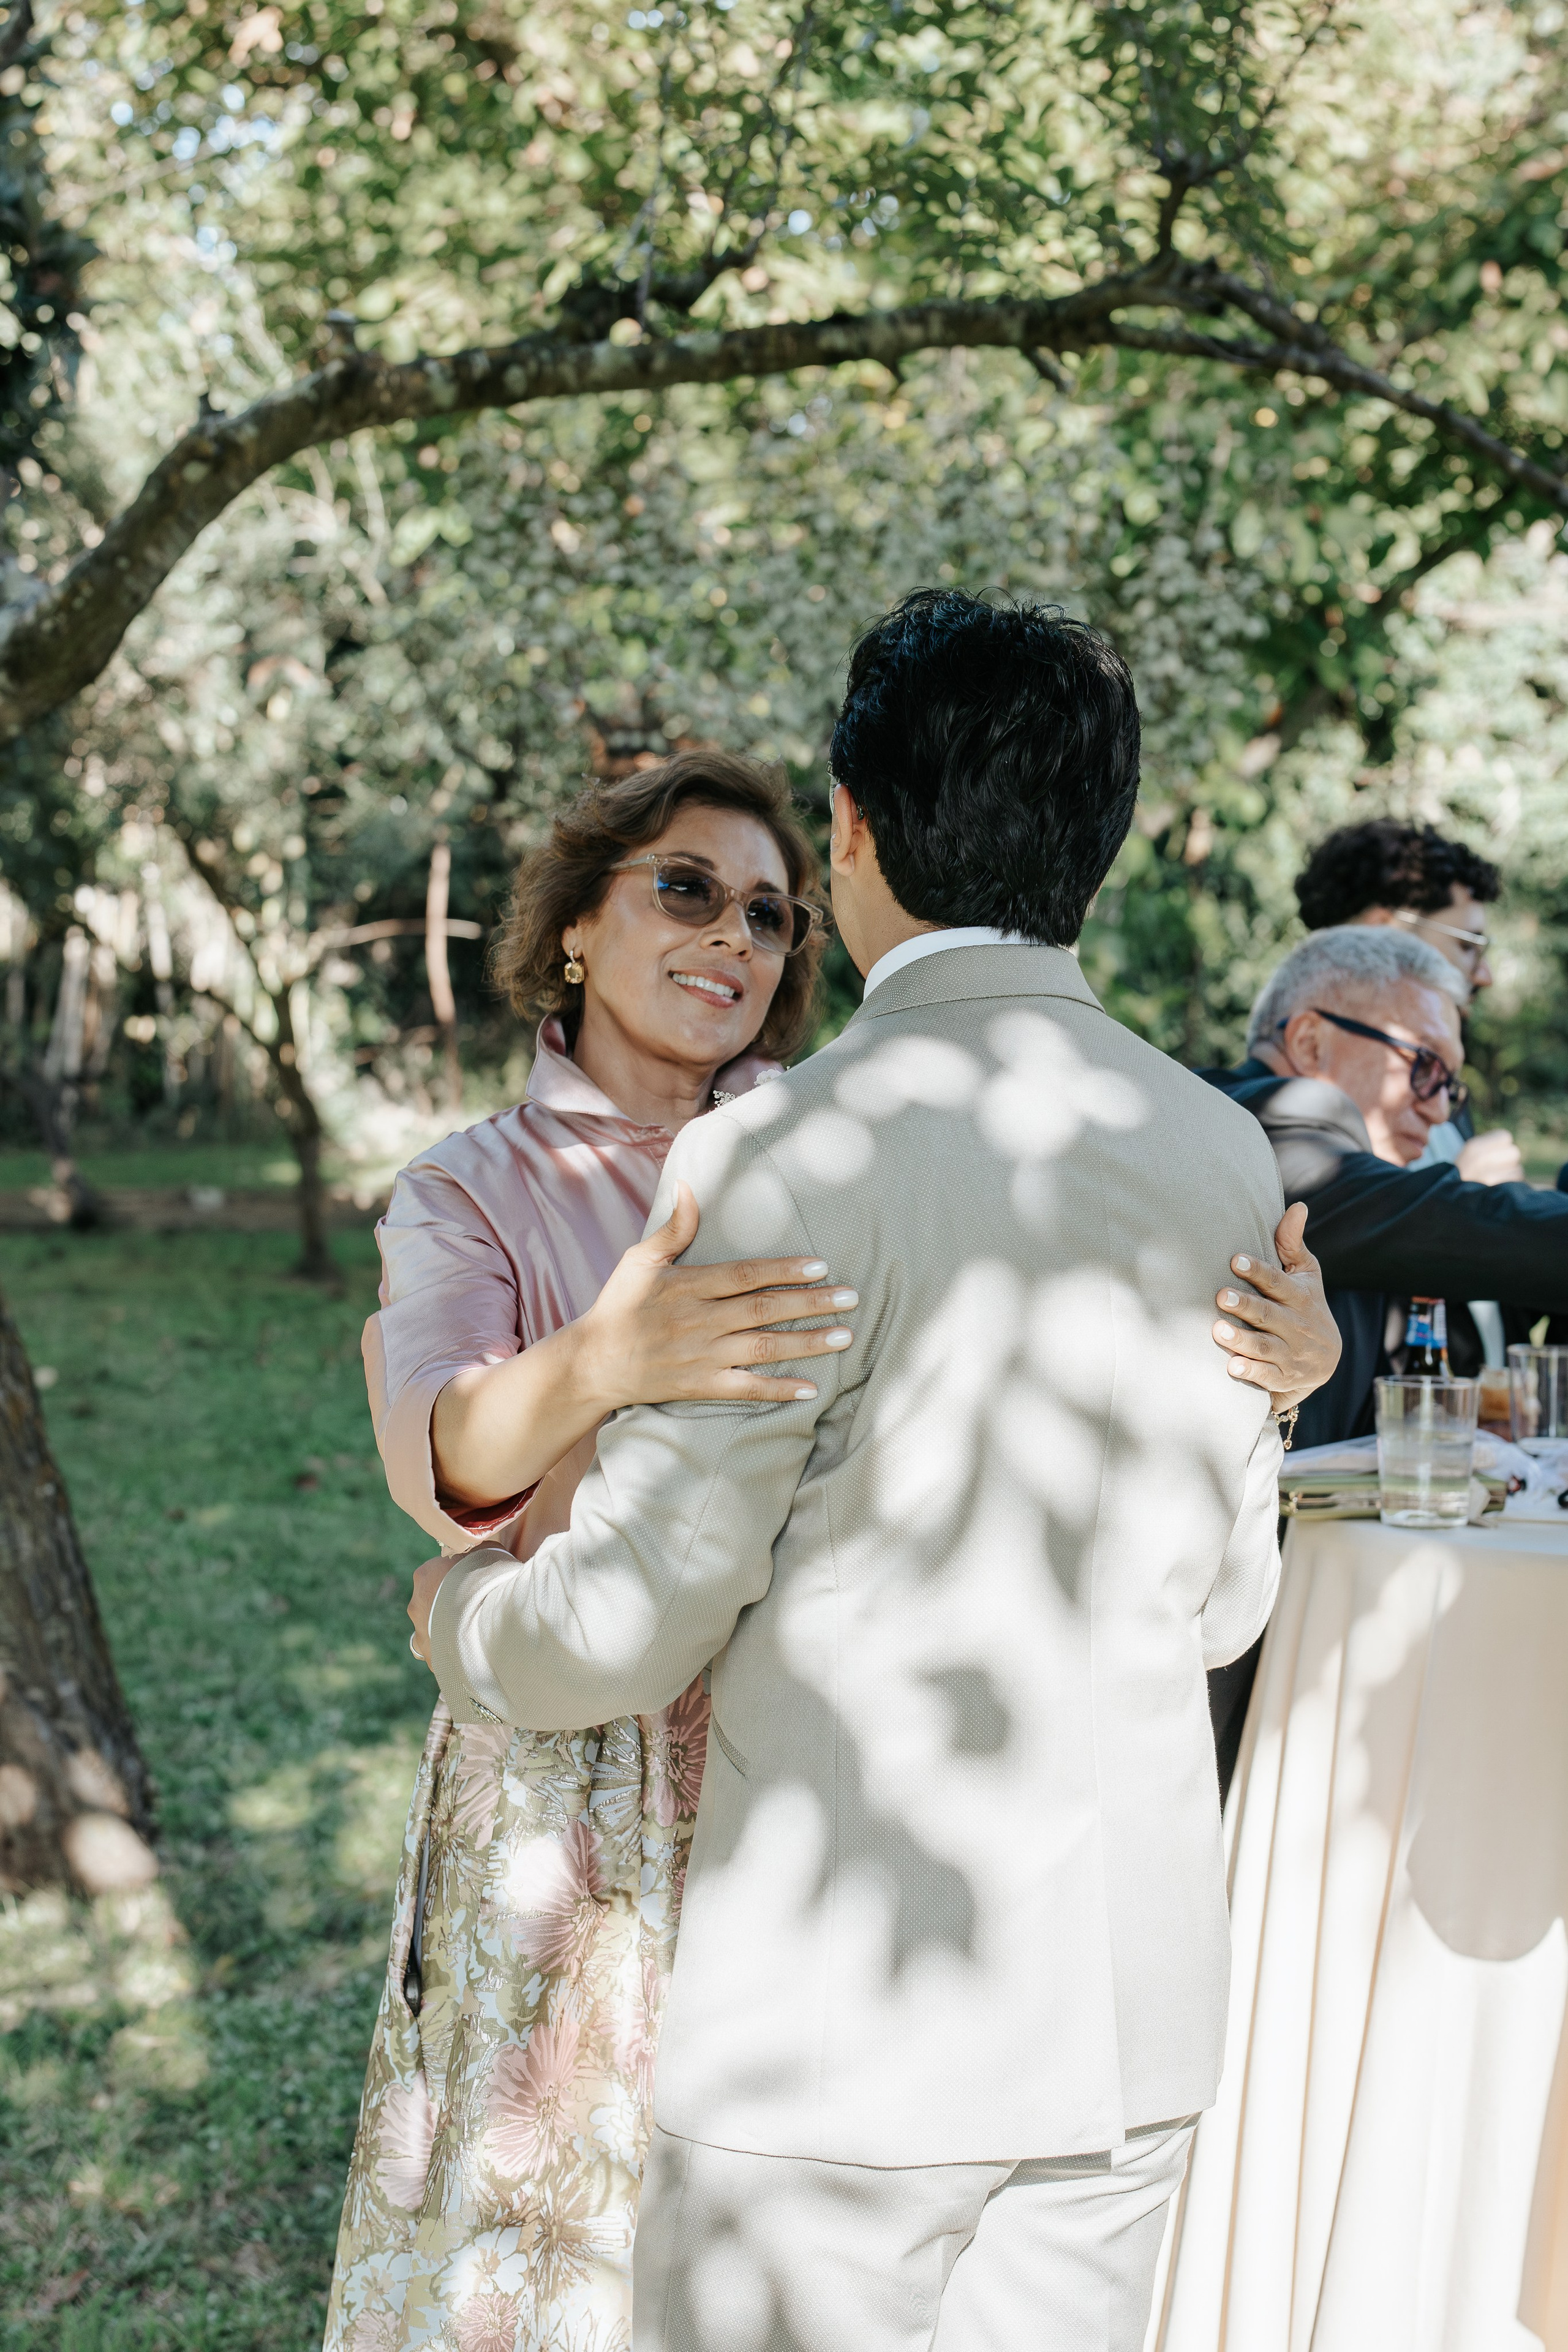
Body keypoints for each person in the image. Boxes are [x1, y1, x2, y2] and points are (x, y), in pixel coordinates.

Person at [407, 592, 1343, 2352]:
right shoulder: (1221, 1152)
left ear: (850, 826)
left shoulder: (786, 1150)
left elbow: (624, 1629)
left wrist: (464, 1617)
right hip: (1129, 2015)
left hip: (847, 2042)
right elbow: (1223, 1603)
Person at [1200, 924, 1568, 1798]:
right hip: (1215, 1674)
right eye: (1426, 1068)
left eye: (1453, 1082)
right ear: (1312, 1041)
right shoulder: (1262, 1127)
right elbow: (1468, 1227)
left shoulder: (1351, 1186)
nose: (1442, 1108)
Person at [1294, 817, 1527, 1367]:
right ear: (1386, 932)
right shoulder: (1295, 1114)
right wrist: (1460, 1204)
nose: (1486, 973)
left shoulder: (1444, 1101)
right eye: (1471, 944)